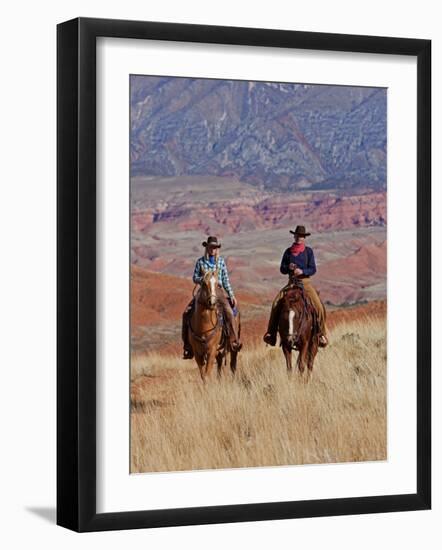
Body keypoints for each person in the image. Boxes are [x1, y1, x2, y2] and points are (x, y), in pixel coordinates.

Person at [263, 225, 329, 348]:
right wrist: (288, 268)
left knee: (319, 306)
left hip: (305, 283)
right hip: (291, 283)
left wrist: (302, 271)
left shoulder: (309, 251)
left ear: (304, 238)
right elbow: (282, 269)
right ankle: (271, 334)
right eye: (298, 236)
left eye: (302, 236)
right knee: (276, 302)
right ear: (294, 236)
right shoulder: (288, 252)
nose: (299, 238)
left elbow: (313, 269)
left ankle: (321, 334)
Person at [182, 236, 241, 359]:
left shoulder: (221, 262)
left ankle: (233, 340)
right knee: (186, 313)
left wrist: (231, 295)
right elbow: (194, 277)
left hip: (218, 291)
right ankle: (187, 346)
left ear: (217, 249)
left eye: (215, 247)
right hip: (203, 291)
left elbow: (225, 280)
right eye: (211, 247)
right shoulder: (200, 262)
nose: (213, 249)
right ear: (207, 248)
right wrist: (203, 279)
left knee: (229, 312)